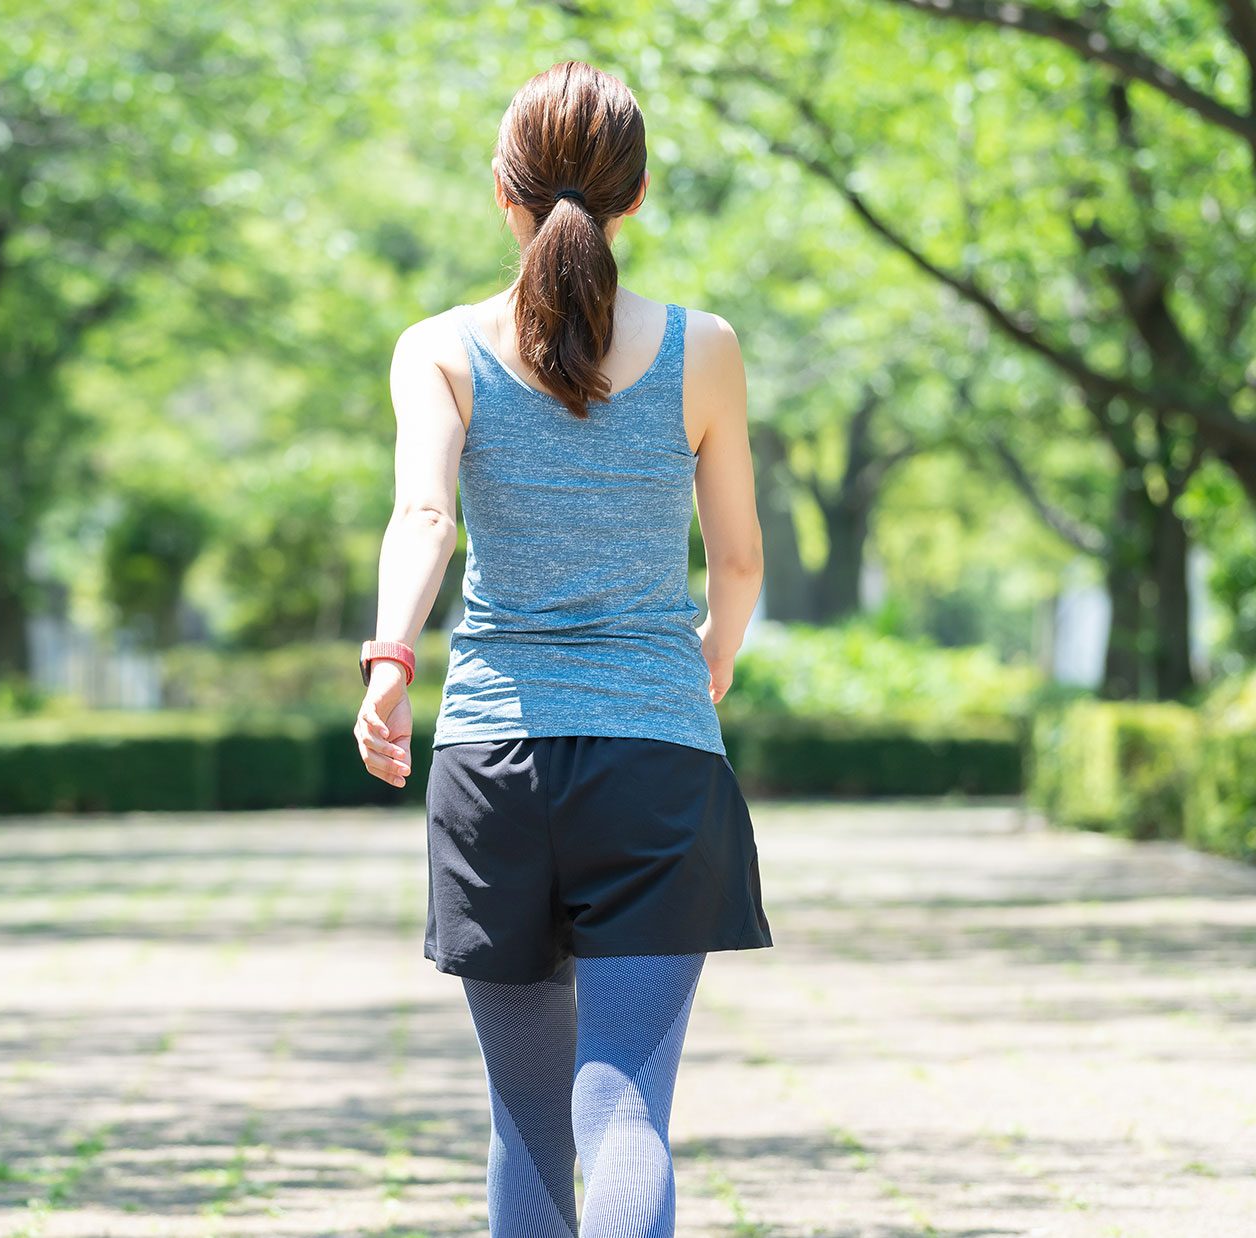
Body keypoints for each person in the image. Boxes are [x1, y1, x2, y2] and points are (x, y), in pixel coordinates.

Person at [353, 61, 774, 1238]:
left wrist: (390, 658)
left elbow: (423, 518)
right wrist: (710, 664)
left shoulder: (436, 346)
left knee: (525, 1119)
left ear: (503, 194)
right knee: (624, 1110)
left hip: (493, 760)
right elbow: (736, 563)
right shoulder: (704, 348)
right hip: (654, 760)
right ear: (635, 197)